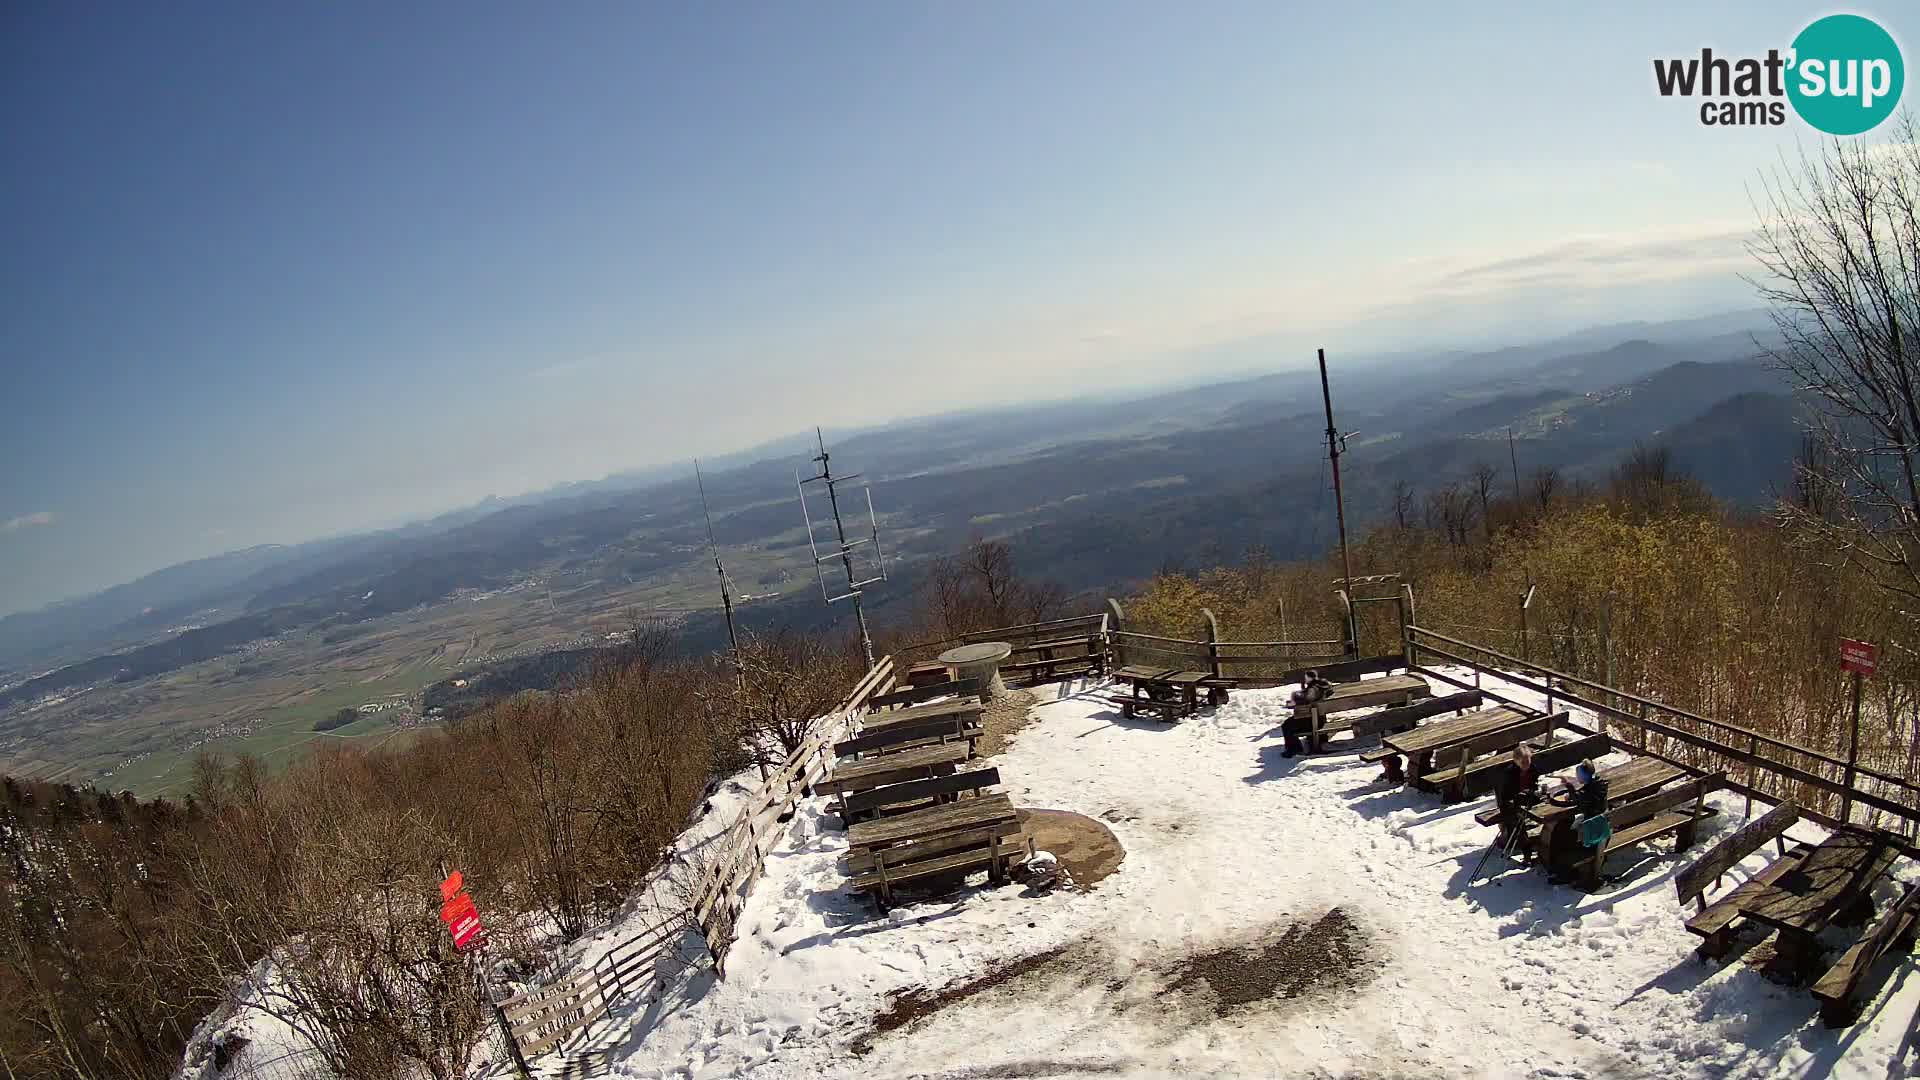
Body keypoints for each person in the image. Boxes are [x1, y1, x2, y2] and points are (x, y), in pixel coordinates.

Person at [1492, 742, 1541, 858]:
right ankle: (1527, 853)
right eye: (1523, 762)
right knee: (1518, 823)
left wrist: (1533, 792)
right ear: (1516, 761)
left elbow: (1534, 785)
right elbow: (1504, 796)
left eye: (1528, 761)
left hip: (1526, 799)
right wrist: (1515, 800)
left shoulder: (1533, 769)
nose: (1526, 765)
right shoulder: (1509, 774)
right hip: (1510, 803)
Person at [1282, 670, 1333, 758]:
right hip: (1320, 718)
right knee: (1290, 723)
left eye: (1306, 678)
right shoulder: (1323, 685)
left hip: (1312, 721)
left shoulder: (1313, 688)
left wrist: (1296, 698)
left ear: (1309, 678)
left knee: (1286, 725)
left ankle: (1293, 749)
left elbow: (1309, 698)